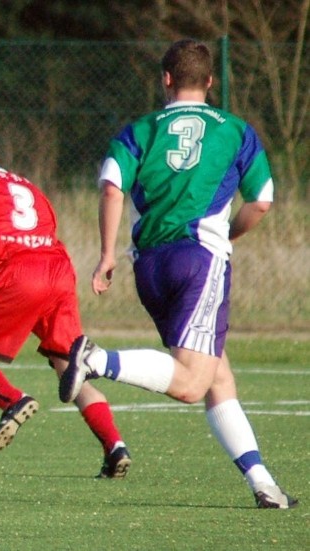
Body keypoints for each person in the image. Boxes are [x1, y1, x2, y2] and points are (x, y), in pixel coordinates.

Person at [59, 39, 297, 508]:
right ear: (209, 82)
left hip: (148, 265)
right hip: (199, 258)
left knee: (216, 376)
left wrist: (106, 255)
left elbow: (111, 189)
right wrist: (226, 235)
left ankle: (263, 483)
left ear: (166, 79)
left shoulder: (140, 130)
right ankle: (97, 361)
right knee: (191, 384)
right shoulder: (235, 130)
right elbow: (262, 200)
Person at [0, 133, 131, 478]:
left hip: (19, 278)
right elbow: (29, 242)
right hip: (58, 272)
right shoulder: (29, 188)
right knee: (69, 368)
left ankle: (12, 401)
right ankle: (114, 446)